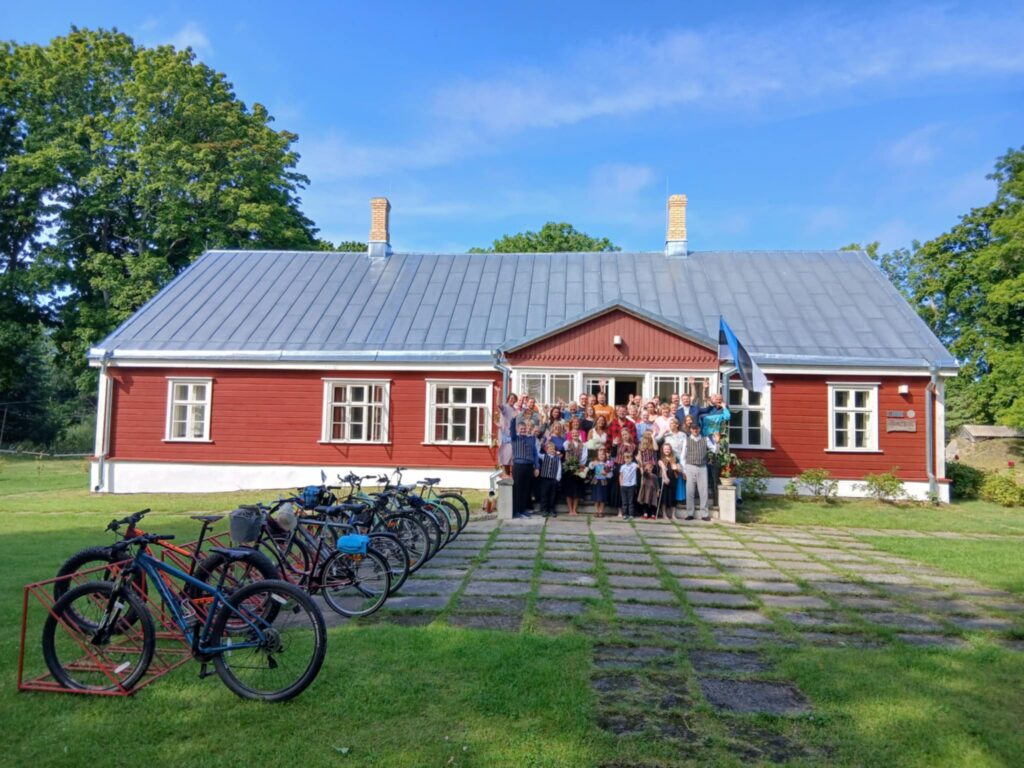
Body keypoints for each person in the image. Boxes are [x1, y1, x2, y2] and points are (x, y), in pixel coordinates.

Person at [509, 420, 540, 518]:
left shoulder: (531, 439)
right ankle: (516, 511)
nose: (523, 430)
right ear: (518, 429)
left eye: (524, 429)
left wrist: (537, 467)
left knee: (526, 489)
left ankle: (523, 510)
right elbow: (511, 430)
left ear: (527, 429)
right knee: (517, 489)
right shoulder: (514, 438)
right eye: (521, 429)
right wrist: (513, 419)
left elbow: (535, 454)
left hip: (529, 466)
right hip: (518, 466)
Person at [683, 422, 711, 520]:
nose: (695, 430)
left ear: (699, 429)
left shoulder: (705, 439)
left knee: (703, 491)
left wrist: (717, 442)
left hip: (702, 467)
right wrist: (684, 470)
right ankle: (690, 513)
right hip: (690, 466)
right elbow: (683, 456)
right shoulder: (686, 440)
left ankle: (704, 514)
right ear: (690, 429)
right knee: (689, 491)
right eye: (693, 428)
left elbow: (715, 450)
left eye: (697, 428)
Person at [562, 427, 589, 516]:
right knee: (569, 491)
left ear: (579, 434)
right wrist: (570, 465)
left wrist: (580, 466)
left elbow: (584, 457)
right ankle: (570, 510)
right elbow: (565, 455)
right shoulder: (566, 443)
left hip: (579, 469)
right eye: (573, 433)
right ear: (571, 435)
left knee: (577, 491)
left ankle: (574, 510)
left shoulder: (583, 445)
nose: (575, 435)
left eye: (576, 433)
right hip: (569, 470)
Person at [636, 431, 660, 519]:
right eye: (647, 435)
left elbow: (656, 448)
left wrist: (653, 437)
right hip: (645, 469)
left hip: (652, 469)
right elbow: (640, 459)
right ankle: (645, 512)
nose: (648, 437)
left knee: (653, 490)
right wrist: (642, 470)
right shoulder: (641, 447)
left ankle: (653, 512)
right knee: (645, 490)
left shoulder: (652, 445)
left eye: (649, 435)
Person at [537, 440, 562, 518]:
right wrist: (540, 444)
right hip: (545, 479)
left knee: (552, 495)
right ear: (546, 449)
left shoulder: (557, 459)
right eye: (549, 448)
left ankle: (552, 510)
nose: (551, 450)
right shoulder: (544, 456)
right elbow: (537, 454)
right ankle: (544, 510)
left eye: (553, 448)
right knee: (544, 495)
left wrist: (557, 478)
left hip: (553, 479)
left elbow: (559, 469)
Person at [588, 447, 614, 518]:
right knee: (596, 498)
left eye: (603, 454)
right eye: (599, 455)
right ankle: (596, 511)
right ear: (597, 456)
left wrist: (606, 473)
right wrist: (593, 463)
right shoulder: (595, 462)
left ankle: (601, 511)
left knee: (602, 498)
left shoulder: (608, 463)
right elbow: (590, 467)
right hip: (596, 482)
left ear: (605, 455)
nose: (601, 456)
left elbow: (610, 474)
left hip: (603, 482)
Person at [657, 442, 681, 519]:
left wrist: (677, 468)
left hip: (673, 479)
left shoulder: (675, 458)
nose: (667, 450)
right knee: (664, 497)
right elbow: (663, 468)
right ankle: (664, 514)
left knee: (673, 497)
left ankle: (673, 514)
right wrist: (666, 477)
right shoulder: (660, 459)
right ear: (662, 450)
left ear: (670, 450)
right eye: (665, 449)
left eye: (668, 449)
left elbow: (679, 469)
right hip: (664, 479)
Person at [497, 392, 518, 476]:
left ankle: (510, 477)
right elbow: (498, 404)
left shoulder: (514, 409)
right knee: (505, 456)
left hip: (512, 435)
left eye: (514, 399)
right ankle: (505, 476)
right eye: (511, 398)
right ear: (508, 399)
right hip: (505, 435)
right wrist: (499, 392)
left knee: (511, 457)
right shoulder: (505, 407)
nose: (512, 400)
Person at [618, 449, 639, 520]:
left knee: (631, 501)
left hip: (631, 486)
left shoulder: (634, 465)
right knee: (624, 501)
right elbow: (620, 475)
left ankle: (631, 514)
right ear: (624, 459)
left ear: (631, 458)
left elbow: (640, 466)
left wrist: (638, 460)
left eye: (629, 458)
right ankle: (625, 514)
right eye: (626, 458)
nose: (627, 460)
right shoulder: (622, 467)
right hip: (624, 486)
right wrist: (621, 484)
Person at [707, 431, 722, 508]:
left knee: (714, 482)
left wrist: (717, 442)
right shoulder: (706, 438)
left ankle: (715, 502)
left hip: (713, 463)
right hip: (703, 462)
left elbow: (716, 451)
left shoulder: (716, 439)